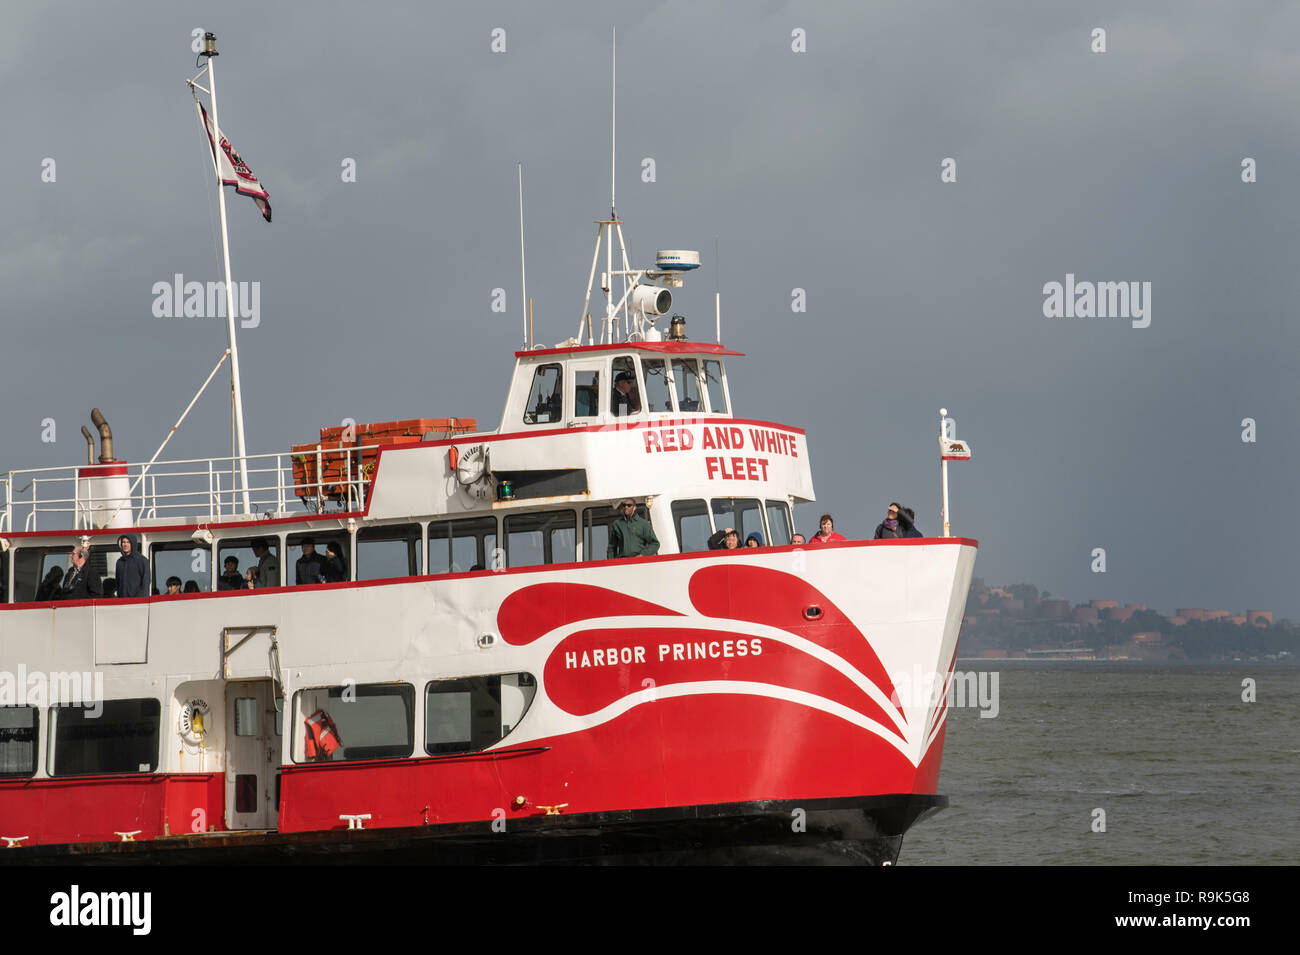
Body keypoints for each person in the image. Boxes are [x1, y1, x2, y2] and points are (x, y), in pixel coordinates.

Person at [114, 533, 149, 599]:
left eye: (128, 542)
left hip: (138, 603)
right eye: (123, 542)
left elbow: (145, 583)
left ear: (133, 543)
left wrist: (139, 601)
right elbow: (118, 584)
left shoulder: (142, 561)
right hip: (122, 602)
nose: (125, 544)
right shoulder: (119, 562)